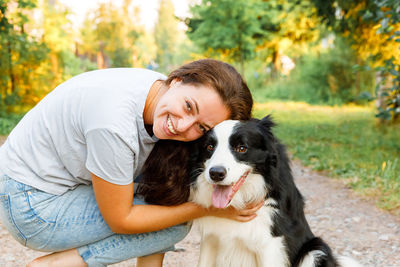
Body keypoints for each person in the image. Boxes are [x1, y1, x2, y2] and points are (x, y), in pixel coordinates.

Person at [0, 59, 261, 267]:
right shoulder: (114, 124)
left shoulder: (158, 90)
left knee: (166, 192)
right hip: (31, 205)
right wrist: (206, 209)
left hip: (51, 183)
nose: (182, 125)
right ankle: (60, 264)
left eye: (201, 127)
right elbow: (122, 220)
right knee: (173, 222)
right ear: (178, 80)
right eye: (189, 107)